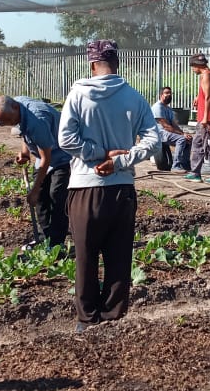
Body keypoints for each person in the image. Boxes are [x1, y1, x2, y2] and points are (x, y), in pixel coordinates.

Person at [58, 39, 159, 333]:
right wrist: (122, 159)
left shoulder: (78, 94)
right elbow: (154, 141)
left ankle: (87, 319)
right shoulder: (133, 97)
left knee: (85, 256)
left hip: (84, 189)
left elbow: (66, 140)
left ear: (92, 65)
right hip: (122, 189)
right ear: (117, 63)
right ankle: (113, 316)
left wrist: (98, 154)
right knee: (118, 255)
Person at [0, 95, 71, 249]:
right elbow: (23, 130)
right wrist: (25, 153)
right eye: (3, 122)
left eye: (7, 120)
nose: (7, 124)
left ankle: (56, 244)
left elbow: (46, 158)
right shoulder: (17, 104)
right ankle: (43, 239)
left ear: (15, 108)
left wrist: (34, 190)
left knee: (56, 197)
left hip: (62, 156)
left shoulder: (37, 121)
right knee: (41, 199)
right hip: (44, 156)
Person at [183, 53, 210, 185]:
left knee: (208, 146)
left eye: (193, 67)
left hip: (207, 118)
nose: (192, 70)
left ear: (197, 65)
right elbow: (205, 93)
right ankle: (196, 172)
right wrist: (198, 97)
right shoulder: (207, 75)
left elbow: (209, 97)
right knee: (198, 144)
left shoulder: (207, 75)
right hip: (205, 117)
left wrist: (205, 118)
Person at [151, 85, 192, 173]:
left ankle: (185, 165)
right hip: (160, 133)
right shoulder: (157, 107)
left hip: (167, 132)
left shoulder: (168, 108)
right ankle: (175, 166)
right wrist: (182, 135)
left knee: (188, 140)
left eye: (170, 93)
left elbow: (174, 125)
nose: (169, 95)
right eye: (166, 93)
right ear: (161, 95)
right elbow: (166, 126)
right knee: (181, 139)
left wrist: (184, 133)